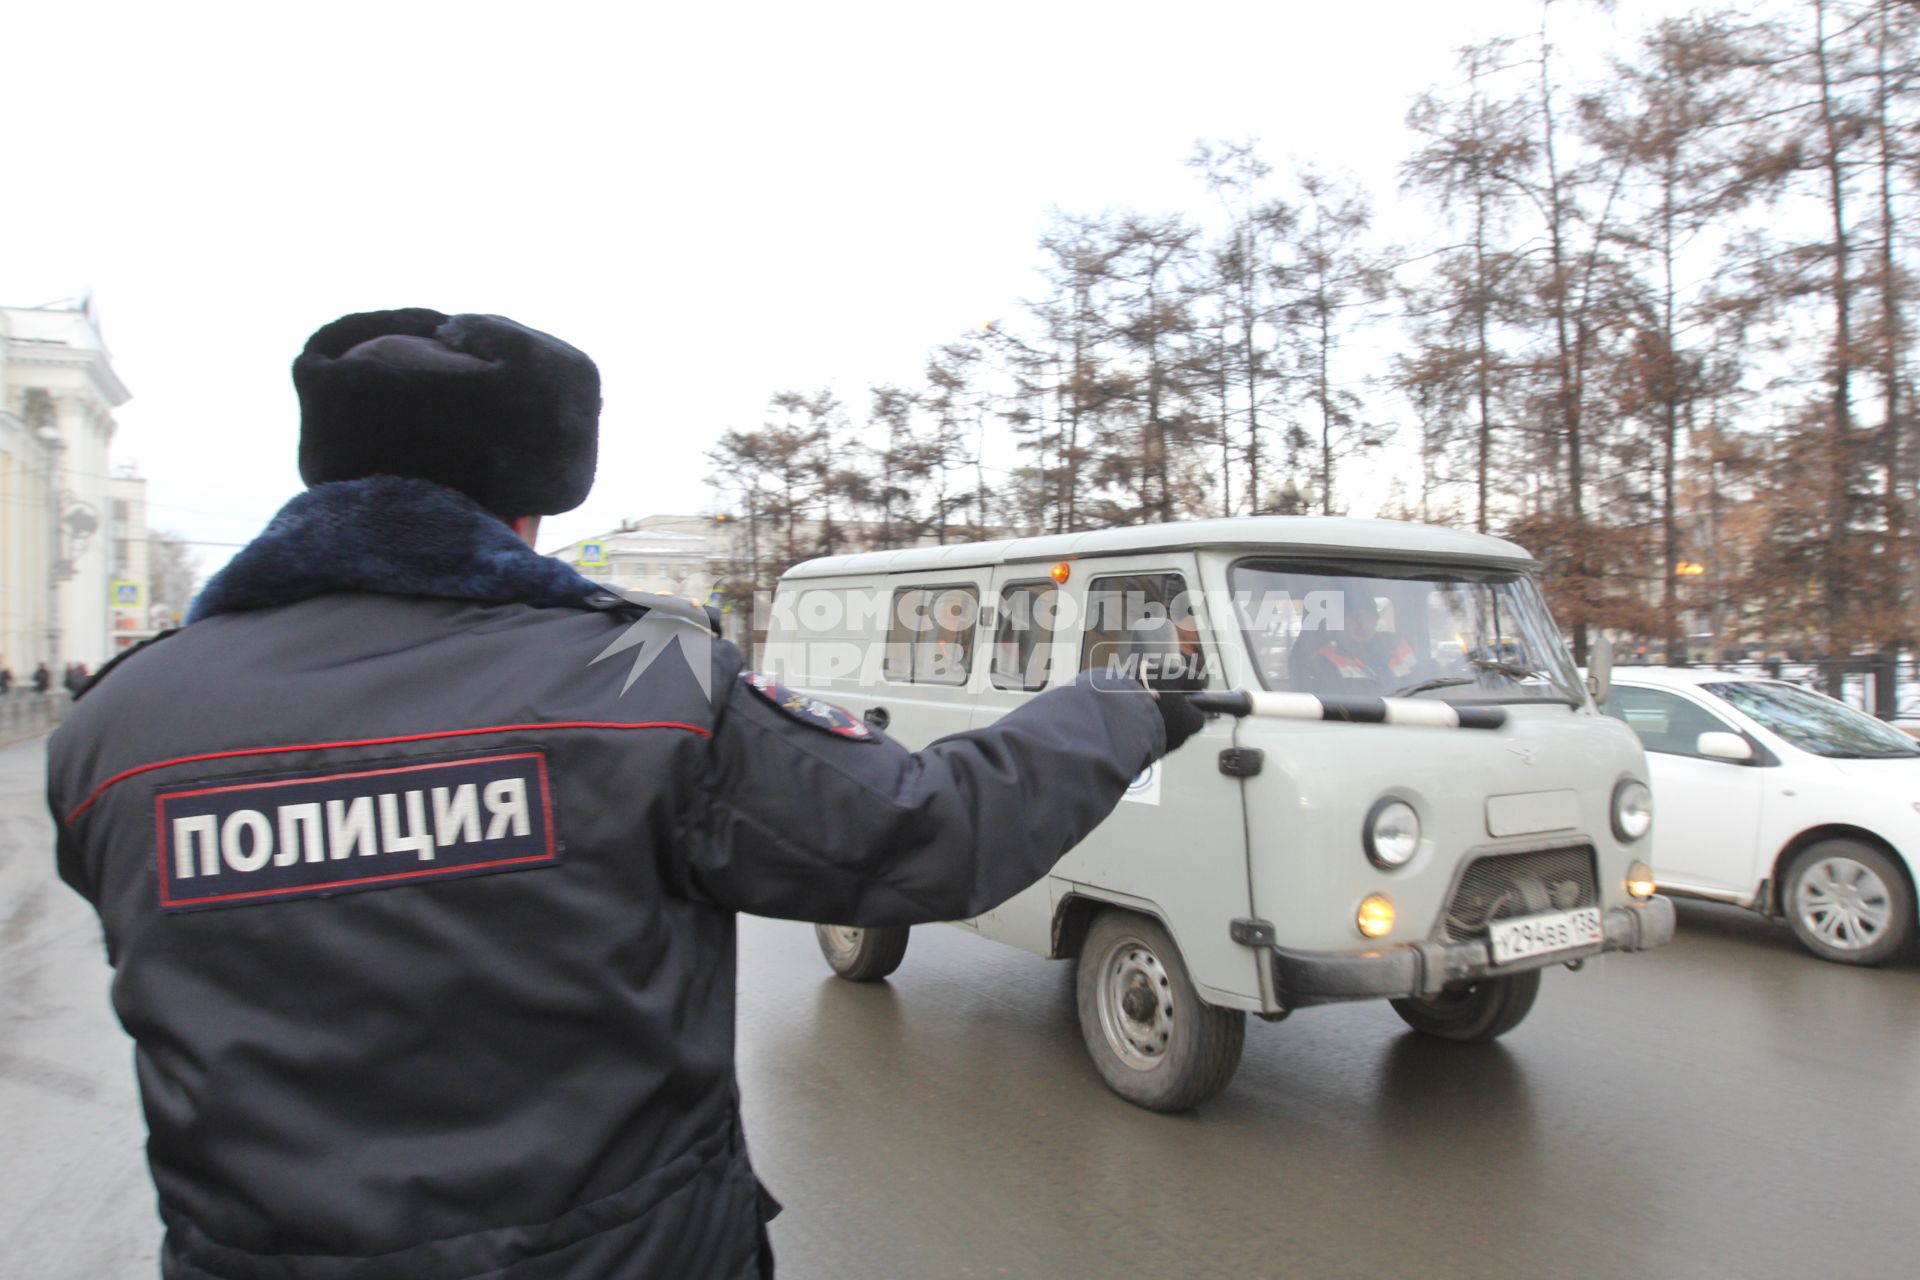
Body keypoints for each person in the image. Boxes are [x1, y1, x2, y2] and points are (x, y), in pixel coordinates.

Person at [46, 308, 1202, 1280]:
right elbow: (929, 829)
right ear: (528, 500)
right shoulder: (640, 667)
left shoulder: (123, 720)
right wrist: (1124, 704)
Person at [1291, 586, 1417, 698]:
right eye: (1352, 617)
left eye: (1364, 615)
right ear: (1342, 622)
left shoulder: (1402, 652)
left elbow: (1423, 692)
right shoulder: (1325, 661)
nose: (1360, 623)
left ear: (1375, 618)